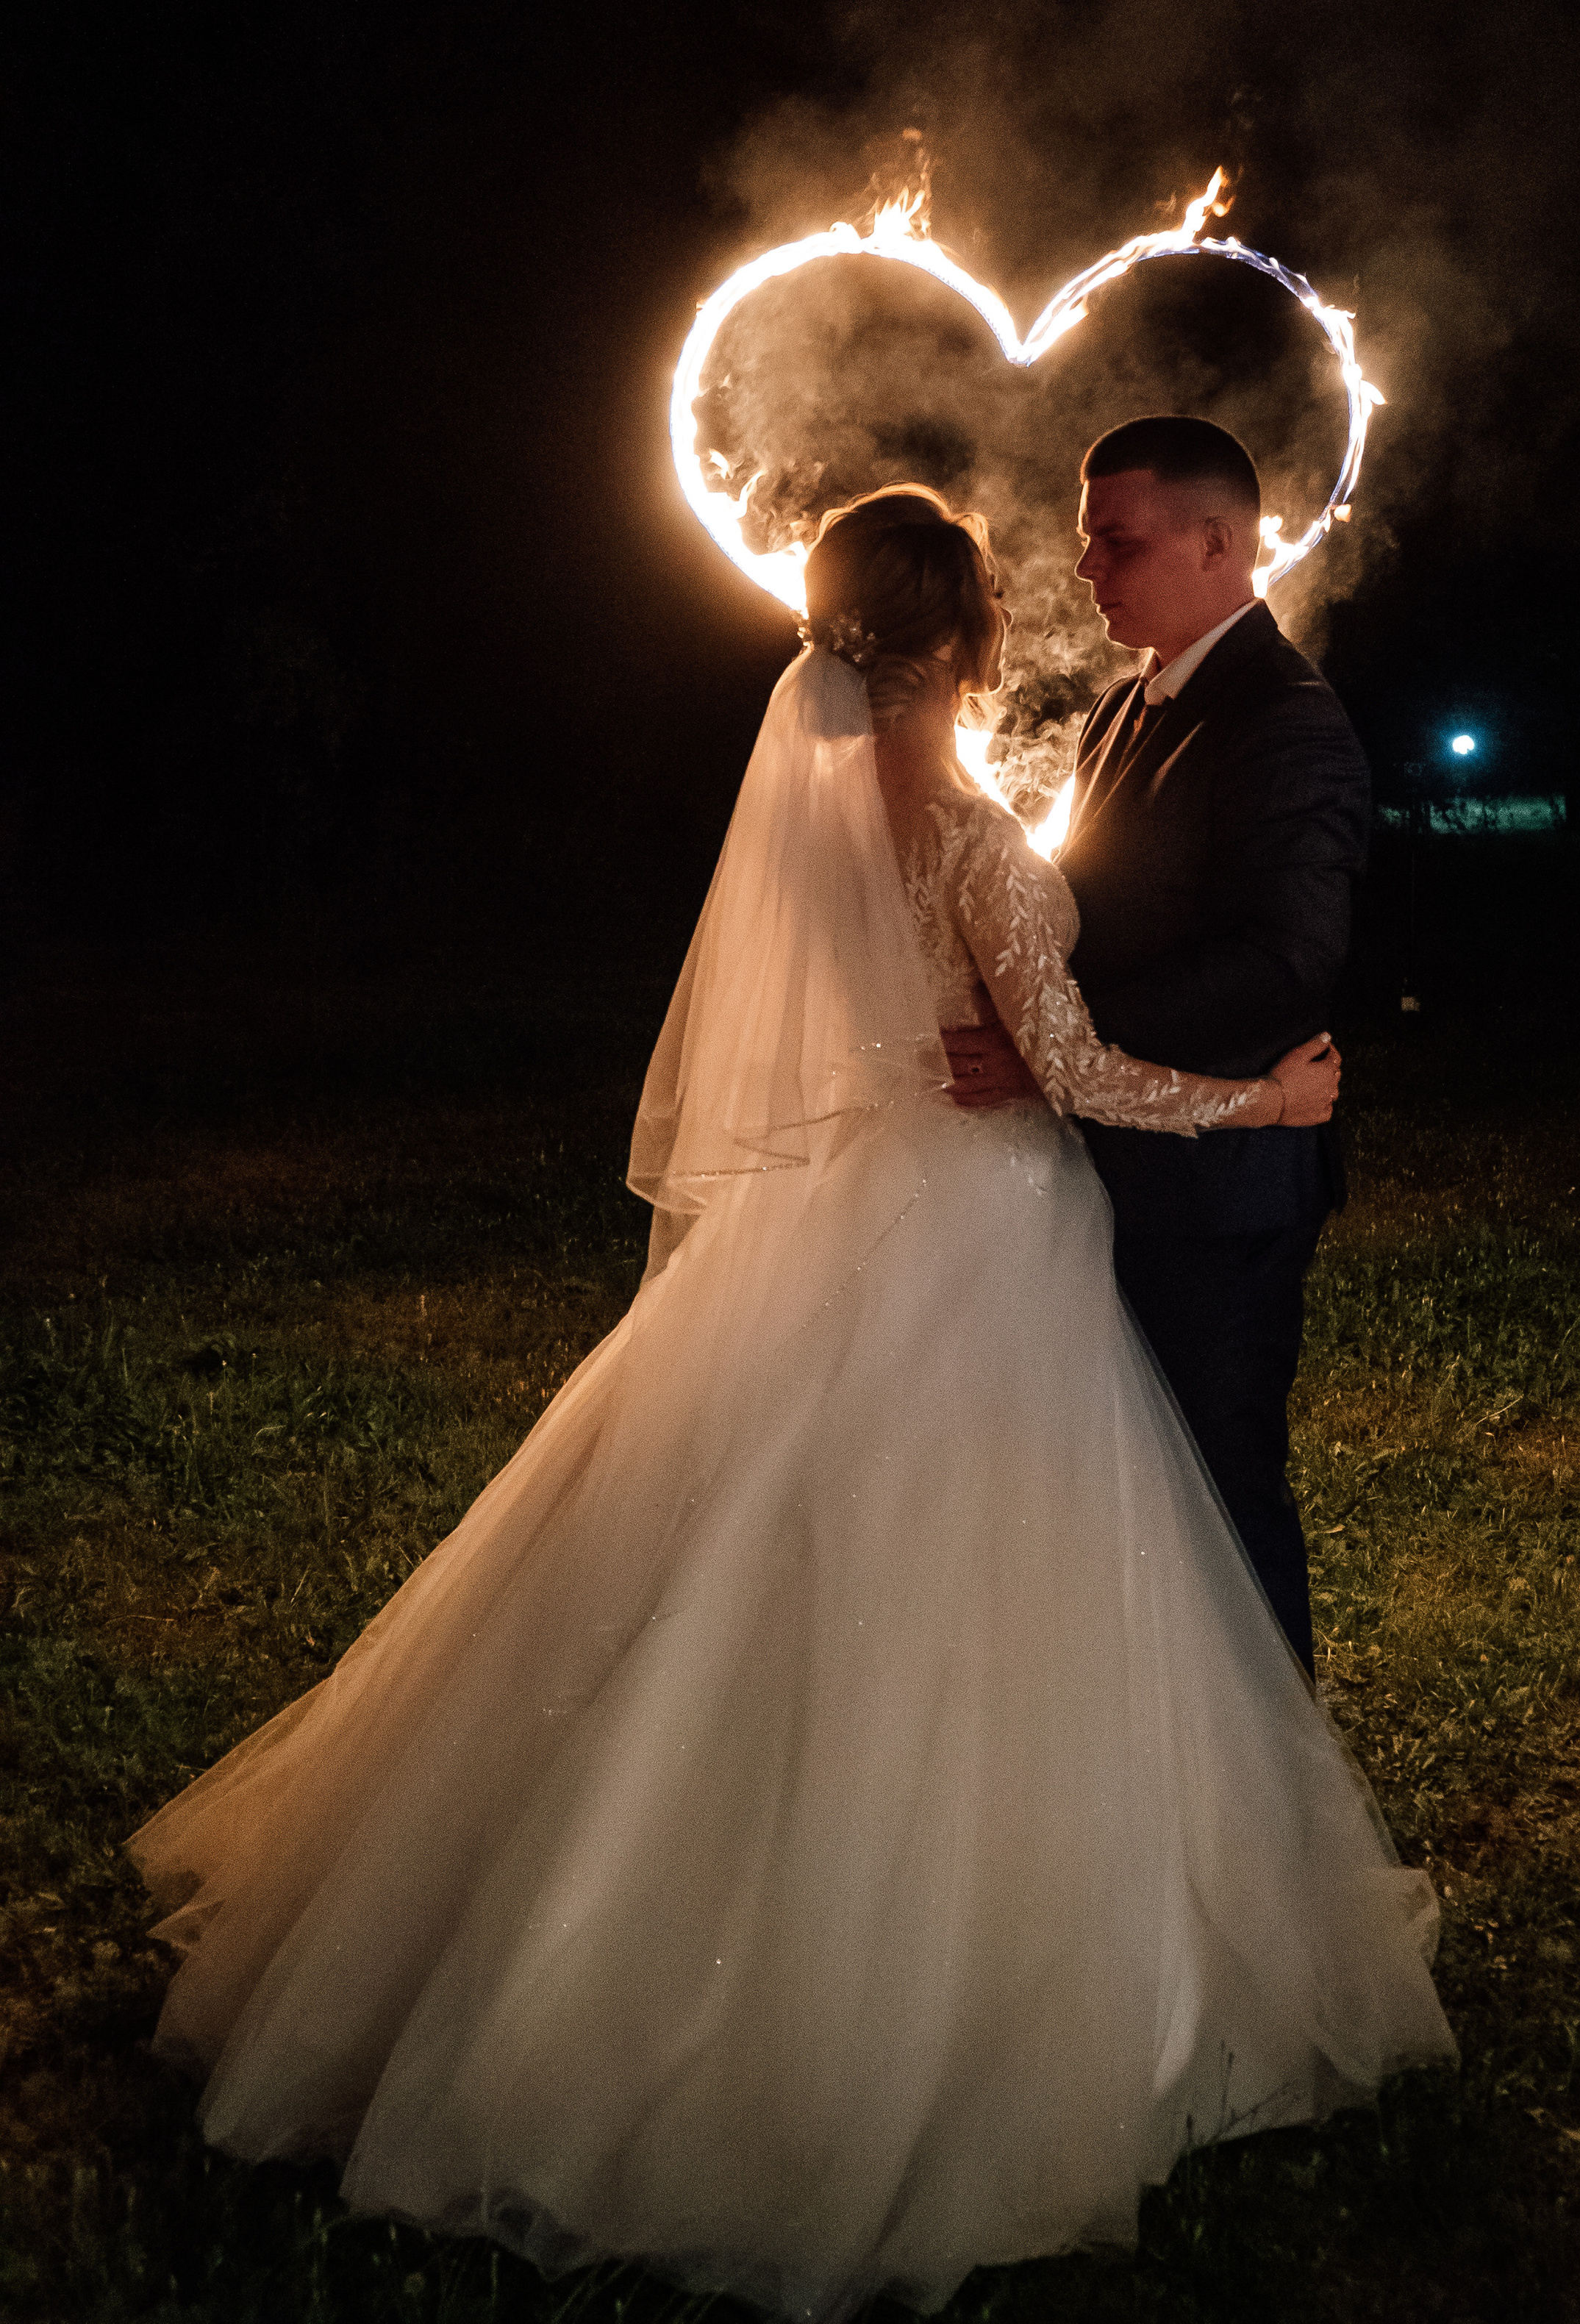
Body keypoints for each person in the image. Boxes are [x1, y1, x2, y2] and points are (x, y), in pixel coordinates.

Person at [128, 488, 1450, 2324]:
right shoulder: (967, 833)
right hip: (978, 1237)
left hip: (842, 1216)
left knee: (756, 1533)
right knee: (967, 1579)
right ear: (965, 629)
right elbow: (1066, 1072)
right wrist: (1269, 1104)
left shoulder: (819, 811)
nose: (1060, 580)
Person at [944, 418, 1368, 1674]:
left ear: (1217, 541)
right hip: (1121, 1154)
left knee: (1220, 1484)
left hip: (1221, 1187)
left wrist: (1061, 1043)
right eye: (1088, 543)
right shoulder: (1124, 708)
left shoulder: (1286, 722)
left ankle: (1277, 1765)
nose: (1087, 569)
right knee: (1131, 1486)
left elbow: (1285, 959)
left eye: (1116, 543)